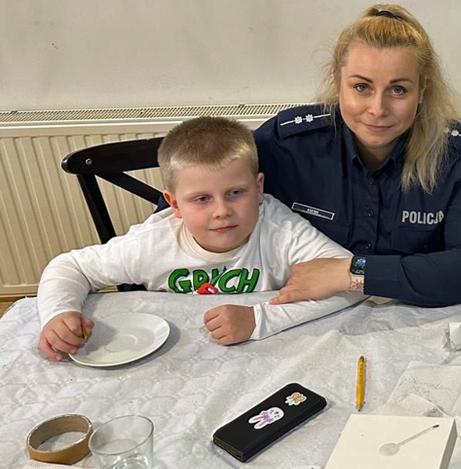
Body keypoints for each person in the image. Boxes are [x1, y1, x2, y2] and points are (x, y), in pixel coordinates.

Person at [37, 117, 364, 360]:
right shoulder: (151, 243)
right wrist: (58, 314)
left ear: (258, 188)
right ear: (175, 204)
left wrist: (258, 319)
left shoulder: (281, 231)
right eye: (202, 199)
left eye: (235, 193)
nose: (222, 211)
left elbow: (354, 282)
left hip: (263, 358)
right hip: (170, 364)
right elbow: (70, 266)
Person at [255, 5, 461, 308]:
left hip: (410, 319)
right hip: (304, 312)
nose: (378, 109)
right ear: (336, 80)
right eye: (361, 87)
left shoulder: (455, 155)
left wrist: (351, 272)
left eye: (398, 90)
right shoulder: (285, 142)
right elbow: (201, 201)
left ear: (423, 90)